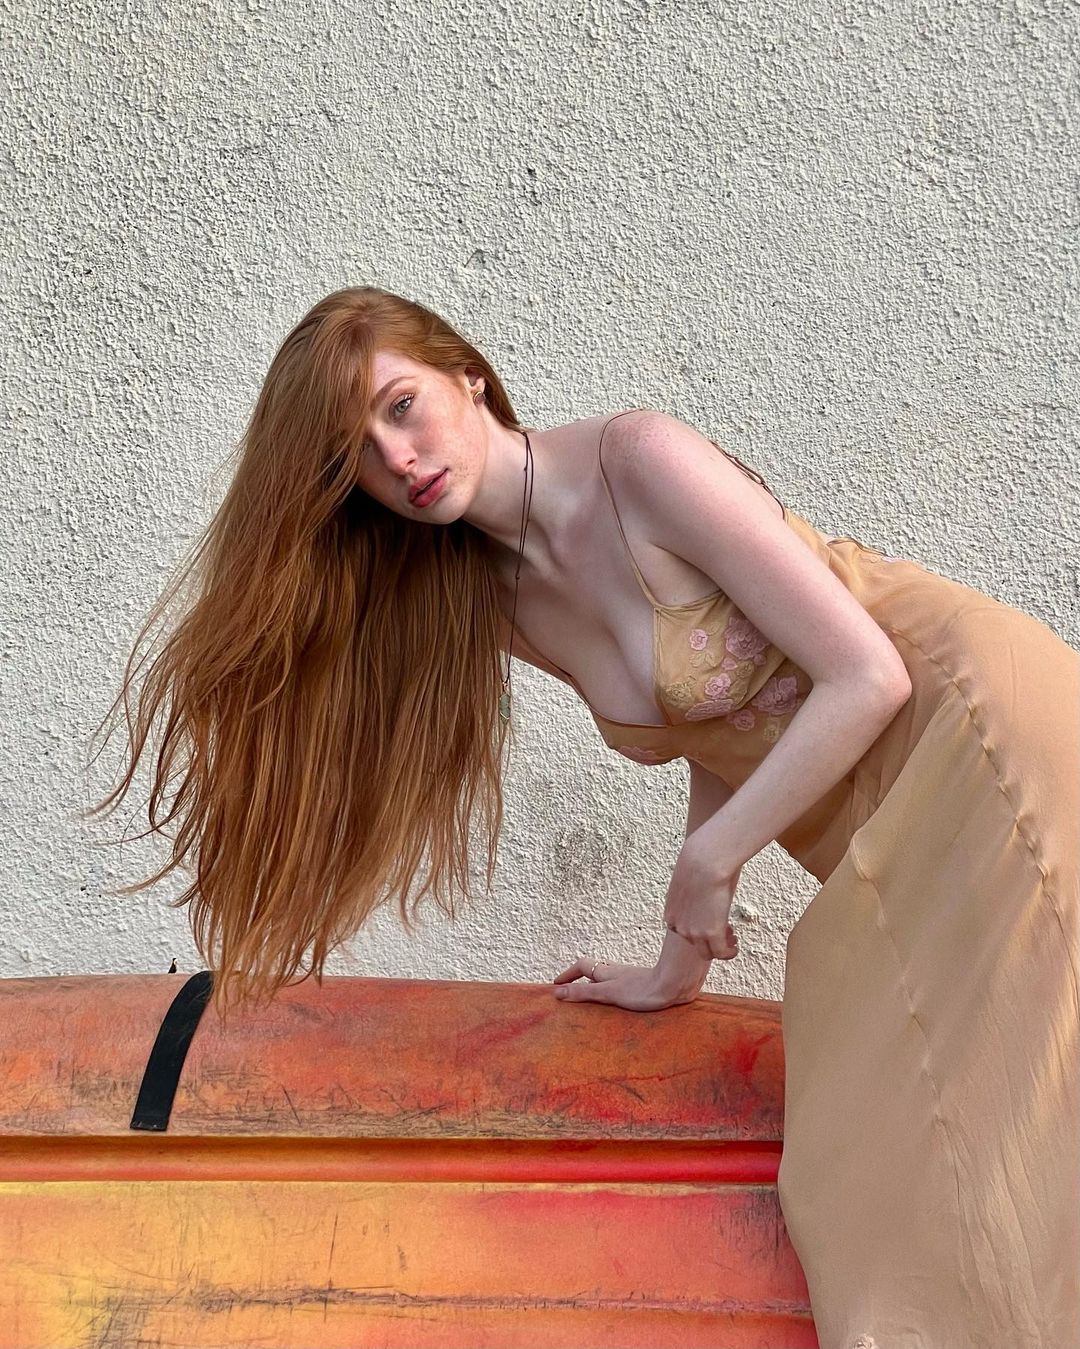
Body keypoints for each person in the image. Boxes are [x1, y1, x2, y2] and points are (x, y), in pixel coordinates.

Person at [86, 286, 1078, 1347]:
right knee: (899, 1169)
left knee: (1016, 1130)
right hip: (884, 833)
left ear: (468, 375)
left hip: (981, 741)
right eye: (357, 453)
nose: (398, 456)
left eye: (402, 405)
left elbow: (868, 675)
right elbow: (713, 718)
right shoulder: (497, 600)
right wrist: (675, 965)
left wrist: (714, 857)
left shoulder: (638, 461)